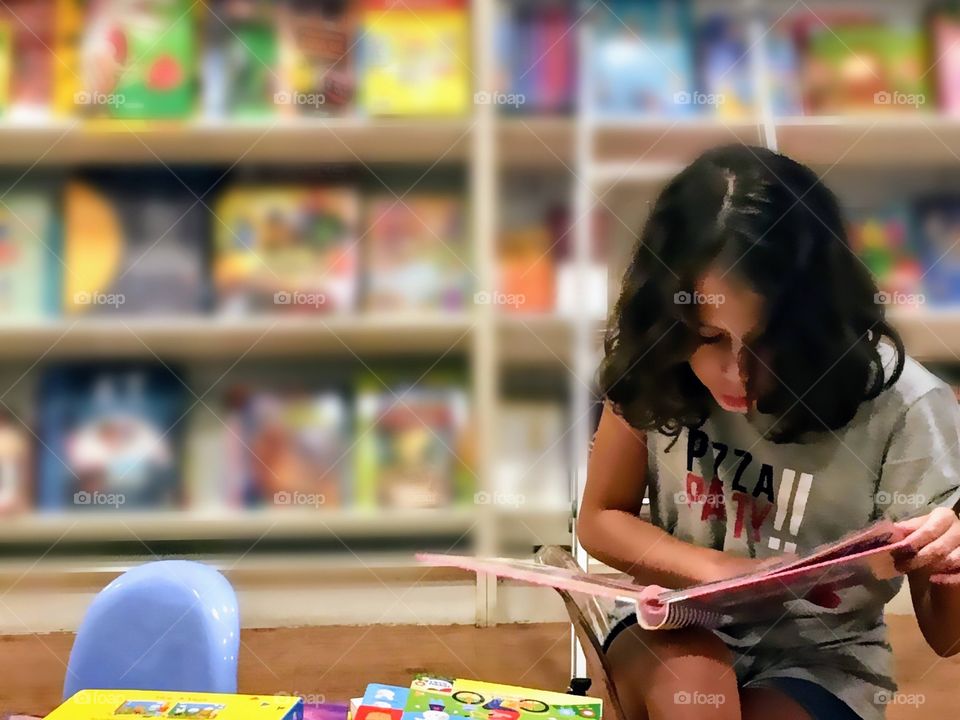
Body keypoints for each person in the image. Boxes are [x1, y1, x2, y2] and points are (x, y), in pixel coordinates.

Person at [578, 144, 960, 720]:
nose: (736, 373)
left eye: (766, 341)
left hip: (824, 657)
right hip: (674, 621)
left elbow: (947, 638)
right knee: (697, 694)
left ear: (815, 321)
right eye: (707, 337)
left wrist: (950, 563)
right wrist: (727, 575)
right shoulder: (654, 359)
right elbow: (601, 518)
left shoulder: (904, 402)